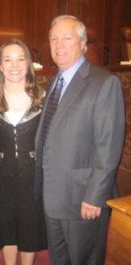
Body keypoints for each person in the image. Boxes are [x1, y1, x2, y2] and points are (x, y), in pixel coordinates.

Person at [34, 15, 125, 265]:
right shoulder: (55, 80)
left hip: (82, 199)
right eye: (53, 39)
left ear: (83, 43)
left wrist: (95, 196)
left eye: (66, 38)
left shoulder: (103, 83)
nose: (58, 44)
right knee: (59, 260)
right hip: (53, 197)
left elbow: (109, 147)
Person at [0, 39, 47, 265]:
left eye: (20, 59)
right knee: (7, 227)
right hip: (0, 177)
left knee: (29, 226)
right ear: (0, 66)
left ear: (28, 64)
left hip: (33, 176)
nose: (15, 65)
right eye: (8, 59)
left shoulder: (43, 97)